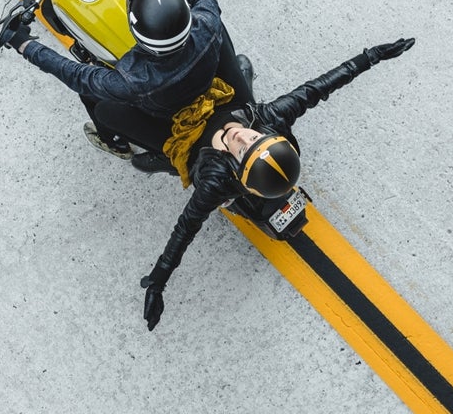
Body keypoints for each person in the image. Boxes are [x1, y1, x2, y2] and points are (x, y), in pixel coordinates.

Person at [137, 37, 416, 331]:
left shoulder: (214, 181)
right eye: (254, 138)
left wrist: (158, 281)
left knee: (150, 139)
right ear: (268, 136)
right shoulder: (270, 117)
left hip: (196, 147)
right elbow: (319, 88)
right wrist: (371, 56)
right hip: (239, 118)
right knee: (220, 45)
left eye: (243, 148)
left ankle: (169, 161)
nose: (242, 136)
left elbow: (185, 229)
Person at [0, 0, 245, 167]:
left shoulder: (135, 81)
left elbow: (78, 77)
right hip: (207, 80)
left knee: (100, 106)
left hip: (174, 115)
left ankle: (117, 143)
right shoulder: (207, 23)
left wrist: (25, 45)